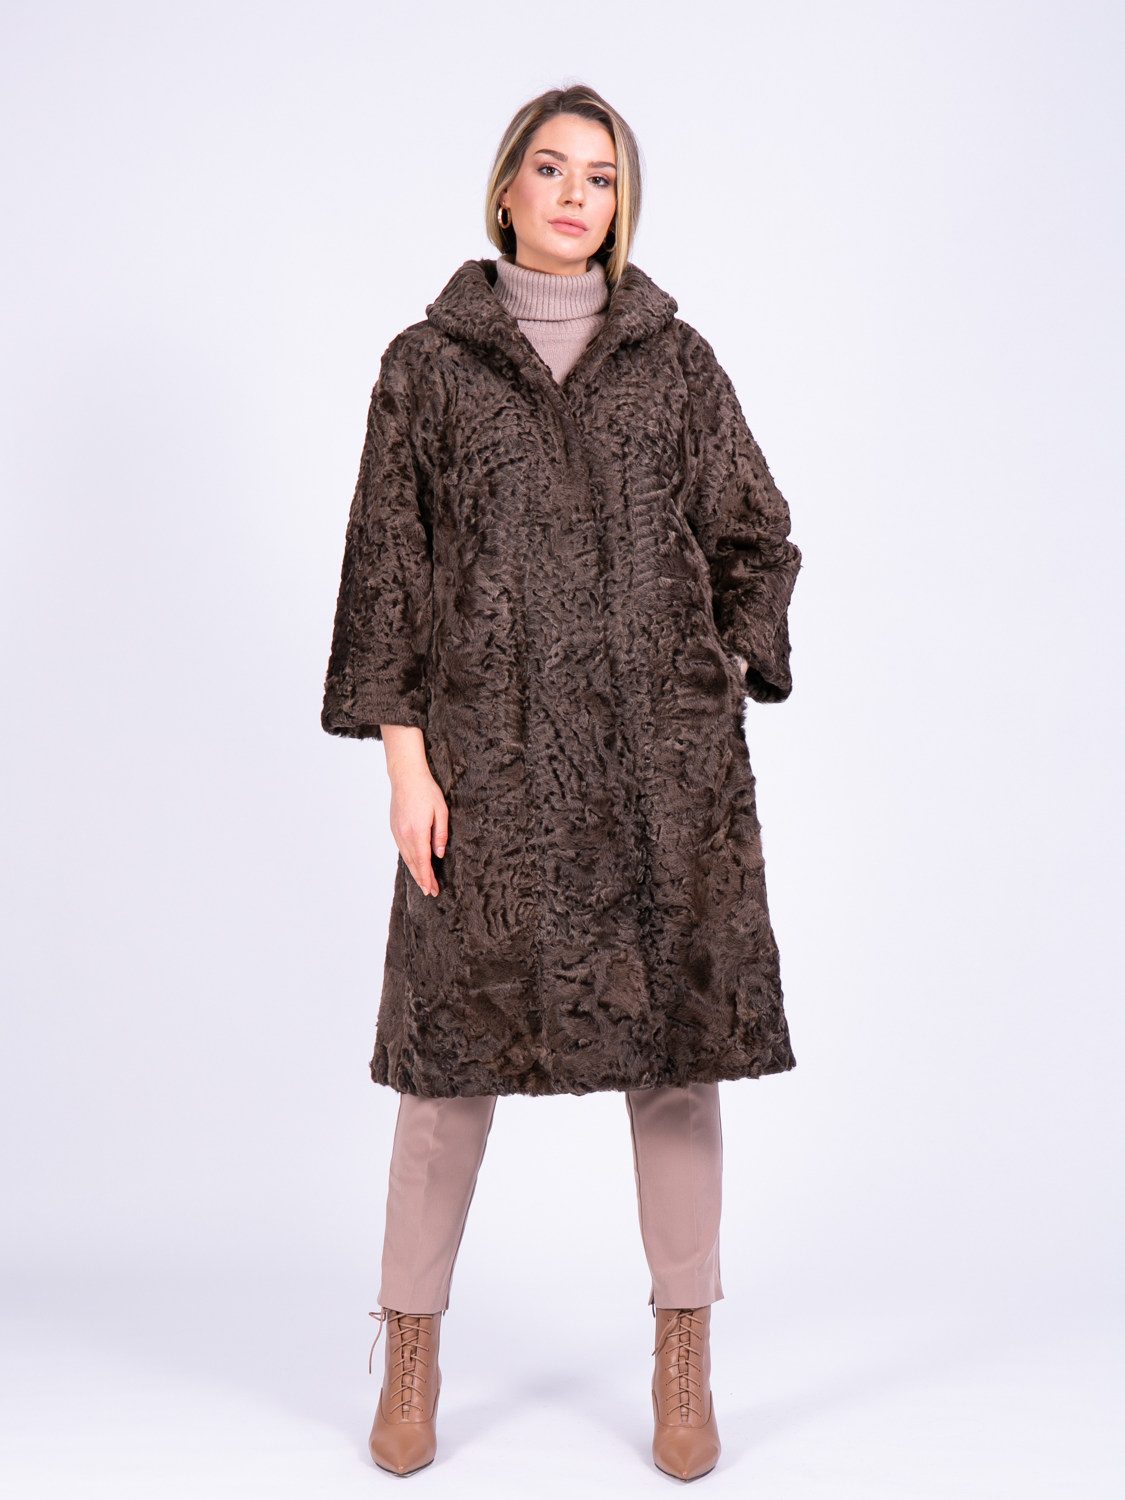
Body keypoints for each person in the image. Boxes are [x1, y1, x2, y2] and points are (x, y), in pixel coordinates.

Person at [321, 83, 801, 1481]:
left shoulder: (675, 362)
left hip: (662, 776)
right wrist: (406, 764)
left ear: (619, 203)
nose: (577, 194)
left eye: (600, 175)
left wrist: (718, 673)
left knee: (678, 1063)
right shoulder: (427, 367)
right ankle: (410, 1348)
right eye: (552, 168)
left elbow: (756, 536)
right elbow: (387, 571)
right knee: (443, 1067)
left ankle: (683, 1355)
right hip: (489, 771)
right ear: (507, 190)